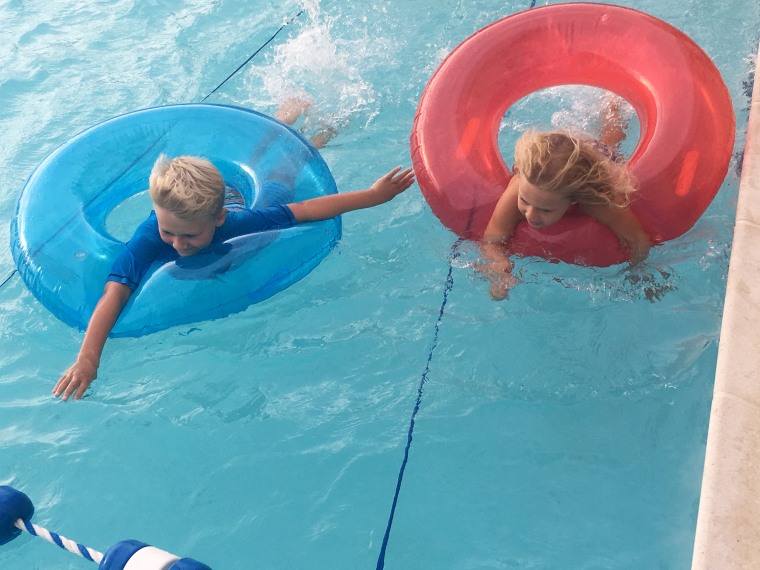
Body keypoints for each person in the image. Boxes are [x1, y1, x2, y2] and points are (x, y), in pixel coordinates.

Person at [53, 100, 415, 402]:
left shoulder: (234, 224)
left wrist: (373, 196)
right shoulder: (150, 237)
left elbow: (304, 211)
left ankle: (312, 132)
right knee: (249, 171)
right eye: (170, 233)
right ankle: (282, 116)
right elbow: (114, 294)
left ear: (217, 222)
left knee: (281, 175)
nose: (178, 244)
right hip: (206, 205)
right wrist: (88, 360)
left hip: (239, 199)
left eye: (190, 237)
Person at [479, 99, 650, 300]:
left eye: (546, 210)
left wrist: (637, 273)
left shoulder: (595, 200)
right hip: (557, 166)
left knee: (611, 140)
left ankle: (613, 106)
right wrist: (497, 267)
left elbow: (637, 239)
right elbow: (491, 240)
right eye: (525, 201)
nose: (531, 215)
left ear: (573, 201)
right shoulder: (519, 188)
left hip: (598, 160)